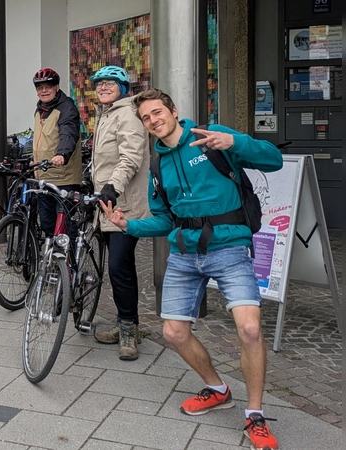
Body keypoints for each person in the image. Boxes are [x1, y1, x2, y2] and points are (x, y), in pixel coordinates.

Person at [100, 88, 282, 450]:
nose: (153, 121)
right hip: (185, 254)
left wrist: (235, 142)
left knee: (249, 329)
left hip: (229, 247)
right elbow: (164, 220)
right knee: (173, 333)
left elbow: (273, 160)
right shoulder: (157, 166)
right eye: (146, 118)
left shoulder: (211, 138)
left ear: (173, 111)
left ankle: (255, 415)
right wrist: (128, 225)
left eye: (157, 112)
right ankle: (218, 389)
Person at [88, 66, 151, 361]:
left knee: (119, 268)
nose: (103, 87)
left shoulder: (126, 113)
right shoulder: (106, 114)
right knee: (118, 268)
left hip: (124, 204)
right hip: (107, 204)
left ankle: (128, 330)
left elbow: (131, 157)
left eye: (110, 83)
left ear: (123, 87)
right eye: (99, 84)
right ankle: (125, 321)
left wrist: (112, 186)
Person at [31, 68, 83, 238]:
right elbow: (42, 140)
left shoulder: (66, 108)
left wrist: (62, 154)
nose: (44, 90)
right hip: (44, 176)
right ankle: (53, 254)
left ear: (57, 87)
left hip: (63, 178)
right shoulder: (40, 110)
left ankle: (73, 254)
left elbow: (68, 133)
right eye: (40, 88)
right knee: (47, 224)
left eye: (48, 87)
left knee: (64, 225)